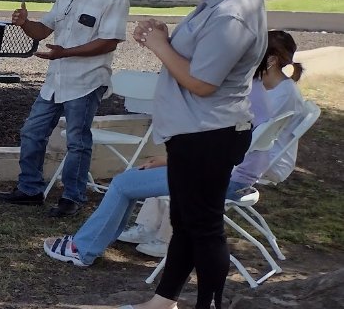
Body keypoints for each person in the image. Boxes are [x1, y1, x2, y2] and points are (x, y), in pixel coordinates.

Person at [121, 0, 268, 309]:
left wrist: (159, 45)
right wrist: (167, 37)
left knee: (203, 226)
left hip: (209, 134)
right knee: (186, 221)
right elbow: (201, 57)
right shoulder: (224, 0)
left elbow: (203, 83)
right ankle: (164, 301)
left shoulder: (234, 12)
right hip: (194, 133)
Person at [42, 30, 306, 268]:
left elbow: (220, 148)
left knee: (124, 183)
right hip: (234, 177)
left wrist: (172, 160)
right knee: (131, 181)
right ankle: (95, 241)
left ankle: (82, 249)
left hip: (222, 179)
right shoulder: (254, 91)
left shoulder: (245, 93)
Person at [0, 0, 131, 218]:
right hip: (56, 81)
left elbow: (109, 41)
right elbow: (43, 30)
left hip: (87, 80)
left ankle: (73, 196)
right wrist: (25, 23)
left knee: (77, 140)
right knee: (32, 132)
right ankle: (30, 189)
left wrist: (65, 54)